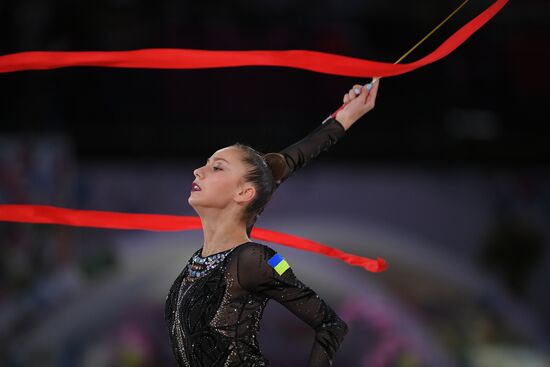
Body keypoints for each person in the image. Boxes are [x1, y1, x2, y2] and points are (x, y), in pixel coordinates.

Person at [164, 80, 380, 367]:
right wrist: (343, 118)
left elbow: (331, 325)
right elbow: (279, 169)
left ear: (243, 193)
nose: (198, 171)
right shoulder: (203, 261)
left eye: (216, 167)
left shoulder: (257, 260)